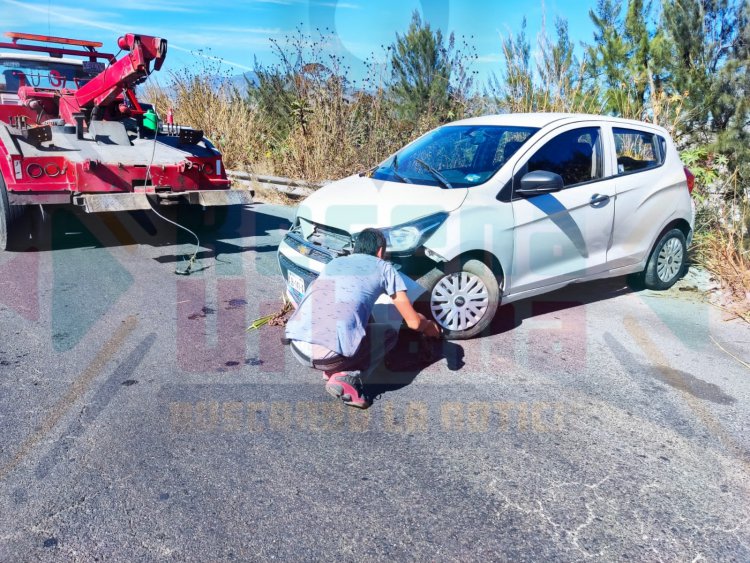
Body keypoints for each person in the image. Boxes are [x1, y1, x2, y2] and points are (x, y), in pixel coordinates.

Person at [285, 228, 441, 409]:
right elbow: (413, 322)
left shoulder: (335, 263)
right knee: (389, 334)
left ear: (355, 249)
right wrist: (430, 325)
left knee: (359, 318)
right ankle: (347, 377)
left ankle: (332, 367)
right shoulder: (384, 267)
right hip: (326, 356)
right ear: (381, 252)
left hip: (297, 346)